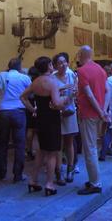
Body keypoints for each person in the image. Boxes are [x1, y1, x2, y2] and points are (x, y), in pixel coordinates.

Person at [20, 56, 71, 196]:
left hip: (40, 119)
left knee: (41, 151)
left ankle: (33, 180)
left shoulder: (35, 82)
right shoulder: (52, 82)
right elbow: (56, 104)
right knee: (52, 153)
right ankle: (49, 183)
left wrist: (33, 109)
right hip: (52, 120)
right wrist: (67, 99)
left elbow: (22, 97)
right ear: (49, 66)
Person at [0, 58, 33, 183]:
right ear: (20, 67)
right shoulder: (24, 78)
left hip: (3, 112)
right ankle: (18, 175)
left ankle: (1, 173)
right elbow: (30, 95)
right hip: (19, 112)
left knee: (2, 143)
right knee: (19, 144)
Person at [76, 46, 110, 195]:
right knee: (93, 146)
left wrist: (100, 111)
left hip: (89, 114)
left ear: (81, 55)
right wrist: (104, 110)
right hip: (98, 114)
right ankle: (93, 179)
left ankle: (95, 183)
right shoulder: (101, 70)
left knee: (90, 149)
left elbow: (89, 95)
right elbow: (108, 91)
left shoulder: (82, 71)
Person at [52, 53, 79, 184]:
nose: (63, 65)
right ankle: (59, 172)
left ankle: (70, 168)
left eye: (65, 62)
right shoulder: (52, 77)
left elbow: (76, 90)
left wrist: (74, 92)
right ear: (55, 65)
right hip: (57, 112)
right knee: (58, 143)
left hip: (70, 111)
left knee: (69, 141)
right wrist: (62, 88)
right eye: (60, 63)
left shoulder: (71, 75)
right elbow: (49, 92)